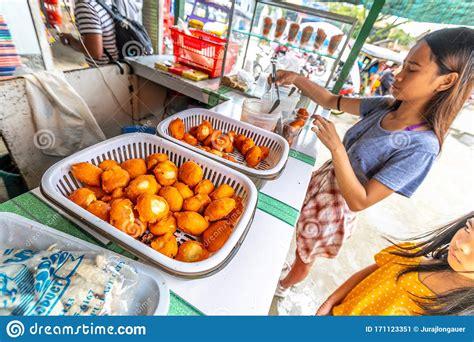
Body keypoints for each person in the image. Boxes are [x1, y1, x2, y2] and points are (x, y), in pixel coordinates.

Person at [271, 27, 474, 297]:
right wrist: (297, 78)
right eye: (403, 64)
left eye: (412, 69)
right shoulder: (385, 105)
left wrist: (336, 147)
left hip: (334, 210)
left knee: (304, 255)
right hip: (320, 184)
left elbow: (360, 200)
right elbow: (332, 100)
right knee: (289, 230)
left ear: (446, 81)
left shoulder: (421, 146)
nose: (398, 75)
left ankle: (280, 287)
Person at [316, 213, 474, 316]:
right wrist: (330, 302)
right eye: (468, 229)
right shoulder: (411, 255)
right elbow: (367, 276)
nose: (462, 244)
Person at [60, 0, 120, 66]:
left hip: (106, 69)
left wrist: (70, 40)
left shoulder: (85, 6)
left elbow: (95, 51)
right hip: (118, 63)